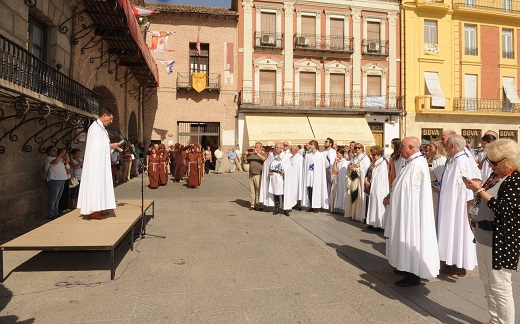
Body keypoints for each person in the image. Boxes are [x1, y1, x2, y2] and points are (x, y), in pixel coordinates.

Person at [464, 139, 520, 324]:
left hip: (500, 241)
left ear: (509, 159)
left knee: (500, 286)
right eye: (489, 161)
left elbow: (504, 208)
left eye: (494, 162)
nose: (491, 165)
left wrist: (479, 190)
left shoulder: (515, 179)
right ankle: (495, 319)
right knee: (488, 282)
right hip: (484, 237)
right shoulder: (496, 176)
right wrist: (478, 189)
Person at [383, 137, 440, 286]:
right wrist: (391, 196)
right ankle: (404, 265)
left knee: (410, 238)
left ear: (411, 147)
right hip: (404, 211)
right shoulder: (411, 163)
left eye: (402, 147)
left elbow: (412, 193)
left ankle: (412, 273)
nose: (400, 149)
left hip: (410, 214)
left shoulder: (417, 164)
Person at [437, 134, 480, 277]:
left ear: (452, 146)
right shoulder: (455, 160)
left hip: (458, 206)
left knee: (458, 232)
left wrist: (464, 205)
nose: (444, 148)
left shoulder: (460, 161)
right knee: (452, 232)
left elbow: (464, 186)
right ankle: (451, 261)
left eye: (446, 145)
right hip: (452, 204)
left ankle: (458, 264)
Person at [77, 108, 121, 219]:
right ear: (104, 115)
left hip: (101, 162)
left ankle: (100, 207)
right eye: (110, 119)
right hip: (95, 164)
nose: (111, 122)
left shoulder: (101, 128)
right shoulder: (95, 128)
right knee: (96, 184)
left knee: (101, 184)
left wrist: (110, 146)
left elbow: (101, 145)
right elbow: (95, 147)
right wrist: (111, 146)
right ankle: (94, 210)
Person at [365, 145, 389, 230]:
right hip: (374, 185)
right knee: (373, 203)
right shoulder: (375, 162)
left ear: (379, 154)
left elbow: (382, 177)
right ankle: (372, 222)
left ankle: (380, 224)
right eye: (372, 154)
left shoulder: (383, 162)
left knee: (379, 204)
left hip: (380, 187)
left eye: (375, 154)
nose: (373, 156)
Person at [344, 143, 370, 221]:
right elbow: (349, 165)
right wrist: (349, 167)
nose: (357, 149)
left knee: (358, 196)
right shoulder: (354, 157)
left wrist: (357, 169)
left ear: (362, 149)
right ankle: (352, 213)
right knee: (351, 196)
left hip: (359, 181)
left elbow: (366, 170)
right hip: (352, 180)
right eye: (356, 148)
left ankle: (358, 215)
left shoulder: (365, 158)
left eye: (359, 148)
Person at [302, 140, 329, 212]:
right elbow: (305, 166)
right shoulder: (308, 155)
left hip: (316, 176)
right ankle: (311, 205)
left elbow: (322, 167)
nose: (310, 146)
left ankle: (316, 206)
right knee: (310, 189)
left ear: (315, 145)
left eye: (311, 144)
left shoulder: (320, 156)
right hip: (309, 175)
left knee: (316, 190)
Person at [45, 146, 68, 219]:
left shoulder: (59, 158)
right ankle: (51, 214)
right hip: (54, 180)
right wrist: (61, 153)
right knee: (53, 198)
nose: (55, 151)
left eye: (56, 150)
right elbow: (55, 162)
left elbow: (67, 161)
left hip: (61, 180)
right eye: (53, 150)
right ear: (49, 152)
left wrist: (66, 153)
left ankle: (56, 212)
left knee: (58, 198)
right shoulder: (49, 158)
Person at [266, 142, 289, 215]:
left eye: (277, 147)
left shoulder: (285, 157)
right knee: (275, 193)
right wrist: (269, 171)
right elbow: (269, 164)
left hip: (282, 177)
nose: (275, 148)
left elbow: (288, 166)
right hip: (274, 177)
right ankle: (277, 208)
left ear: (281, 148)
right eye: (275, 147)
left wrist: (285, 171)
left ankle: (285, 209)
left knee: (283, 193)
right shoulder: (272, 156)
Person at [246, 142, 267, 210]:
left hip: (258, 174)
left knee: (259, 190)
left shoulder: (263, 154)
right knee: (252, 190)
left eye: (257, 147)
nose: (255, 148)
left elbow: (264, 159)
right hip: (251, 174)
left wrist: (257, 153)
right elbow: (245, 161)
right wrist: (246, 155)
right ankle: (253, 204)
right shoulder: (252, 155)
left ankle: (260, 205)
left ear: (261, 147)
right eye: (255, 147)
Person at [285, 145, 304, 211]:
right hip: (292, 177)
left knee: (298, 189)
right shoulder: (291, 157)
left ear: (296, 150)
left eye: (292, 149)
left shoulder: (300, 158)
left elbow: (300, 168)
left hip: (298, 177)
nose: (290, 150)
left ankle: (298, 204)